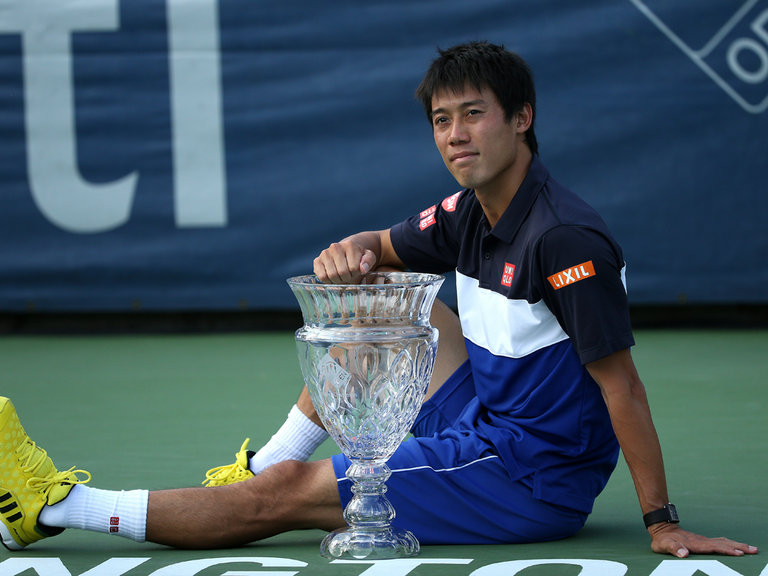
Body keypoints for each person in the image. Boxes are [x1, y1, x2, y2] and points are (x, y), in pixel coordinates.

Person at [0, 41, 757, 558]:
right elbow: (379, 246)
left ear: (521, 119)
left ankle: (56, 507)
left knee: (291, 498)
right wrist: (349, 256)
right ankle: (264, 460)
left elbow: (620, 385)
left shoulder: (564, 241)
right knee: (383, 295)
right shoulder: (470, 212)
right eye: (441, 119)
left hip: (528, 475)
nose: (456, 135)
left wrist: (660, 521)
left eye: (474, 114)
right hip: (486, 411)